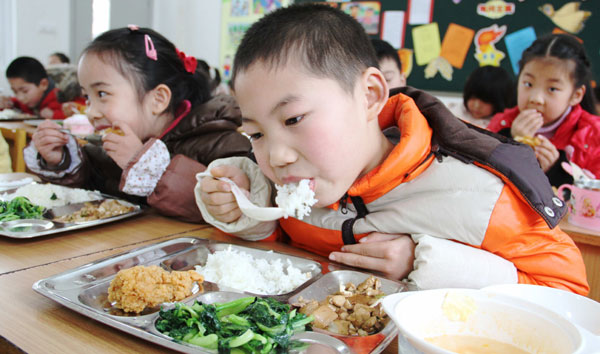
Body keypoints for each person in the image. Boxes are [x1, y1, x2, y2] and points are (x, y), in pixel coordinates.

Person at [195, 4, 588, 294]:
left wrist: (425, 262)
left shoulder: (482, 195)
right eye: (257, 134)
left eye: (294, 119)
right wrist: (249, 207)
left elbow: (567, 289)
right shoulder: (295, 178)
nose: (276, 157)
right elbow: (278, 251)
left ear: (369, 96)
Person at [24, 27, 252, 222]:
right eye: (87, 97)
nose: (91, 112)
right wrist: (59, 159)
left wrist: (147, 165)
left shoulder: (220, 141)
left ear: (158, 99)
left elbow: (223, 208)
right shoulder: (119, 139)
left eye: (102, 93)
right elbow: (96, 182)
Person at [488, 34, 600, 187]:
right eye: (528, 84)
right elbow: (481, 182)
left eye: (552, 89)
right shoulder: (501, 123)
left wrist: (557, 172)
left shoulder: (594, 134)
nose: (536, 99)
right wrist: (509, 140)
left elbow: (593, 202)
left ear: (576, 95)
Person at [0, 57, 66, 119]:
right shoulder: (23, 102)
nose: (20, 97)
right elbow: (12, 102)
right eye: (15, 91)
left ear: (43, 84)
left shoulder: (61, 98)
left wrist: (54, 115)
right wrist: (4, 103)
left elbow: (73, 116)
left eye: (25, 91)